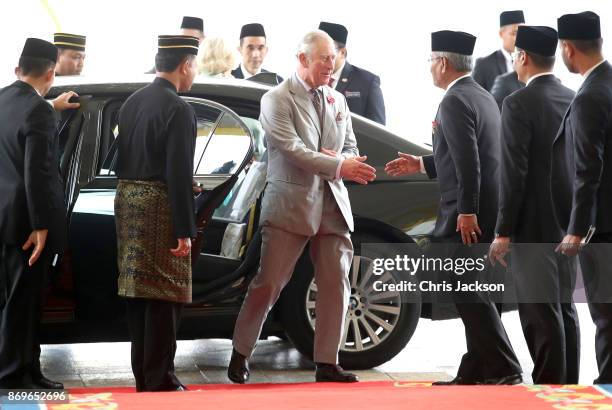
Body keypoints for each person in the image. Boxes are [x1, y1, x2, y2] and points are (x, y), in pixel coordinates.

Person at [227, 29, 376, 384]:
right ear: (302, 59)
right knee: (270, 283)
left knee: (336, 283)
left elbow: (351, 146)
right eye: (324, 57)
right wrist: (339, 165)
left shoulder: (337, 100)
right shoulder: (276, 99)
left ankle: (327, 362)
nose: (332, 64)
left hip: (332, 204)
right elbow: (293, 150)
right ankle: (240, 352)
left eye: (334, 57)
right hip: (291, 204)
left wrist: (343, 160)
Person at [385, 30, 522, 385]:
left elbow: (469, 162)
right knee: (472, 287)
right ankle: (478, 365)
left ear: (442, 62)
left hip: (468, 214)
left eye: (431, 60)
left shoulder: (454, 101)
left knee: (466, 288)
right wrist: (422, 163)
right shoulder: (480, 95)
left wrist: (467, 211)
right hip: (487, 208)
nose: (430, 67)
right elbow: (463, 154)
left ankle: (504, 365)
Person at [488, 25, 579, 384]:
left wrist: (503, 231)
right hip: (568, 222)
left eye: (514, 56)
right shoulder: (572, 97)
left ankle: (549, 387)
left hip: (532, 225)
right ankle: (569, 387)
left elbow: (514, 173)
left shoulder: (517, 103)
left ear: (522, 57)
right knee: (565, 308)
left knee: (539, 313)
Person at [115, 34, 199, 392]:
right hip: (159, 205)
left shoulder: (131, 102)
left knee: (138, 293)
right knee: (166, 294)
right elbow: (178, 172)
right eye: (194, 65)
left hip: (127, 201)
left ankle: (143, 376)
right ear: (185, 65)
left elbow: (119, 158)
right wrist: (185, 228)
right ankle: (160, 376)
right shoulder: (179, 109)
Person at [0, 38, 79, 389]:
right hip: (27, 221)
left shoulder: (3, 99)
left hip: (4, 215)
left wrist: (51, 106)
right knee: (25, 302)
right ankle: (15, 375)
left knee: (10, 299)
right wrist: (42, 225)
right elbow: (39, 173)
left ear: (18, 69)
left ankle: (26, 368)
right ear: (51, 72)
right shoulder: (40, 111)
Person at [552, 11, 612, 384]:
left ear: (568, 48)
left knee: (606, 316)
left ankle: (607, 386)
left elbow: (589, 168)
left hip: (602, 227)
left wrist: (578, 228)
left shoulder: (591, 94)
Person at [318, 21, 386, 125]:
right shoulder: (309, 77)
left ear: (342, 52)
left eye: (325, 51)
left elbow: (378, 132)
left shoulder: (367, 82)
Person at [472, 10, 524, 92]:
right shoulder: (484, 64)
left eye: (523, 33)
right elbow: (475, 98)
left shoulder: (530, 62)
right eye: (515, 33)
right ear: (501, 34)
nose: (520, 38)